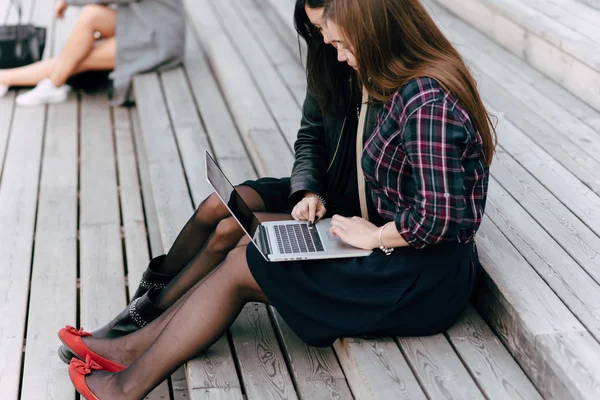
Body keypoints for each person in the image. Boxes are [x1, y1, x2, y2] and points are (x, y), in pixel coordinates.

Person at [58, 0, 497, 398]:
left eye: (343, 44)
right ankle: (128, 350)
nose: (338, 56)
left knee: (247, 262)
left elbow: (443, 217)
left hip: (422, 279)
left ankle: (124, 380)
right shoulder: (402, 85)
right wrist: (336, 213)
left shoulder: (426, 101)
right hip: (400, 251)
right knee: (251, 245)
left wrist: (375, 233)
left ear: (375, 32)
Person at [57, 0, 380, 364]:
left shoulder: (369, 65)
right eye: (317, 31)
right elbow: (310, 137)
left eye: (326, 29)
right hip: (320, 190)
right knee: (219, 205)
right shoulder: (330, 57)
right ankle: (147, 303)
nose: (322, 40)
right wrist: (307, 188)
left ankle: (147, 319)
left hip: (350, 211)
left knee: (231, 232)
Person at [0, 0, 185, 107]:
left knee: (76, 60)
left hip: (159, 39)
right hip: (141, 22)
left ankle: (42, 83)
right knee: (91, 15)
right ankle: (31, 81)